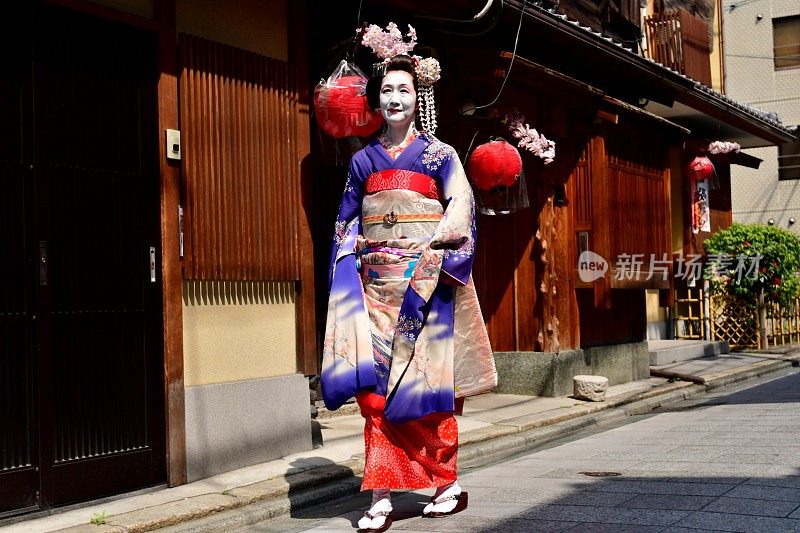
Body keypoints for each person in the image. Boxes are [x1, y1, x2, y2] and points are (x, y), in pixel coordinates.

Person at [320, 54, 496, 532]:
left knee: (428, 393)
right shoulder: (362, 161)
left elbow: (461, 207)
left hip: (424, 284)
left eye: (403, 90)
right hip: (376, 290)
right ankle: (380, 497)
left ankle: (446, 485)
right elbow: (346, 220)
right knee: (375, 396)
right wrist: (348, 256)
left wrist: (438, 257)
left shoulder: (441, 156)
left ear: (418, 98)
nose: (394, 98)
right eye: (386, 90)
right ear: (376, 100)